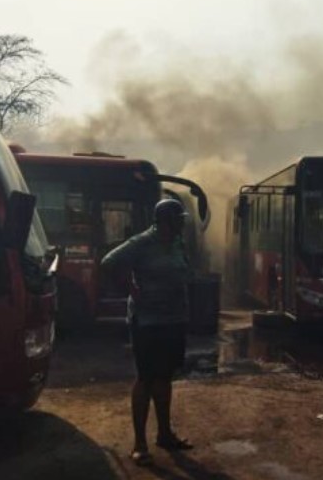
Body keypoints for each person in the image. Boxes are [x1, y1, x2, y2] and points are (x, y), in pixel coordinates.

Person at [101, 199, 194, 466]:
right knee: (146, 378)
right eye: (179, 219)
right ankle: (140, 443)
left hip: (174, 319)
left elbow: (184, 270)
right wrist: (129, 286)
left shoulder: (177, 243)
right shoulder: (142, 243)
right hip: (147, 321)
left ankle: (165, 434)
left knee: (164, 377)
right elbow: (109, 262)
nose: (183, 223)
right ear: (165, 221)